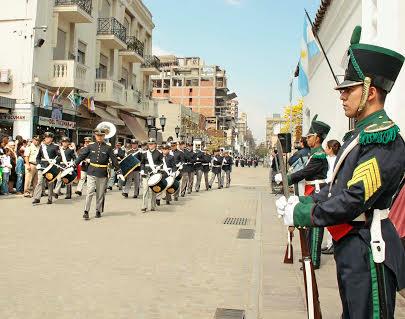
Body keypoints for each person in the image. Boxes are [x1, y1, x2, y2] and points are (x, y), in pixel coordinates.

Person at [277, 26, 405, 318]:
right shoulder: (359, 136)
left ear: (371, 92)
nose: (342, 96)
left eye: (349, 89)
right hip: (350, 246)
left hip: (368, 250)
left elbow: (353, 199)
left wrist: (303, 215)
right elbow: (337, 190)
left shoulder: (382, 140)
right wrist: (305, 202)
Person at [275, 115, 330, 270]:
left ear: (317, 138)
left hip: (317, 190)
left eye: (310, 136)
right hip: (311, 188)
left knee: (315, 226)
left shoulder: (319, 155)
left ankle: (313, 260)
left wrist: (287, 178)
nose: (308, 139)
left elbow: (306, 172)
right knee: (308, 224)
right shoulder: (314, 153)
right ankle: (309, 257)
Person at [74, 129, 123, 220]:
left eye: (101, 135)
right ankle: (86, 211)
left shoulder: (108, 147)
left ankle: (98, 210)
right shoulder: (91, 146)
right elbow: (82, 156)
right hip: (91, 171)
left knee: (100, 193)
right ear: (95, 136)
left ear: (104, 136)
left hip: (102, 172)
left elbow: (114, 160)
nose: (99, 137)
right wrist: (74, 164)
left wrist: (119, 171)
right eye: (98, 135)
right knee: (90, 191)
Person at [321, 139, 342, 255]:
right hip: (328, 187)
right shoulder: (328, 159)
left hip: (332, 188)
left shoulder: (335, 160)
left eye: (327, 148)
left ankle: (332, 244)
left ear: (330, 149)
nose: (325, 150)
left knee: (331, 218)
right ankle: (329, 243)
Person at [32, 132, 60, 205]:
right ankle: (37, 198)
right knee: (40, 182)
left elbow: (59, 156)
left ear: (51, 138)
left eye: (48, 137)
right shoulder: (42, 146)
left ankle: (49, 198)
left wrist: (55, 160)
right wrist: (38, 163)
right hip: (42, 166)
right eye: (45, 137)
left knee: (50, 182)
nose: (46, 139)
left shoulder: (55, 146)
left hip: (50, 166)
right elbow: (38, 157)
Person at [140, 138, 163, 212]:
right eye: (149, 144)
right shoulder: (144, 153)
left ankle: (153, 206)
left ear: (155, 145)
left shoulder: (159, 153)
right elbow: (142, 163)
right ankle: (144, 206)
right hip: (146, 173)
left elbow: (162, 162)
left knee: (153, 190)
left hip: (154, 173)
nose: (150, 145)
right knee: (145, 190)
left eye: (152, 144)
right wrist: (142, 170)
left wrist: (159, 167)